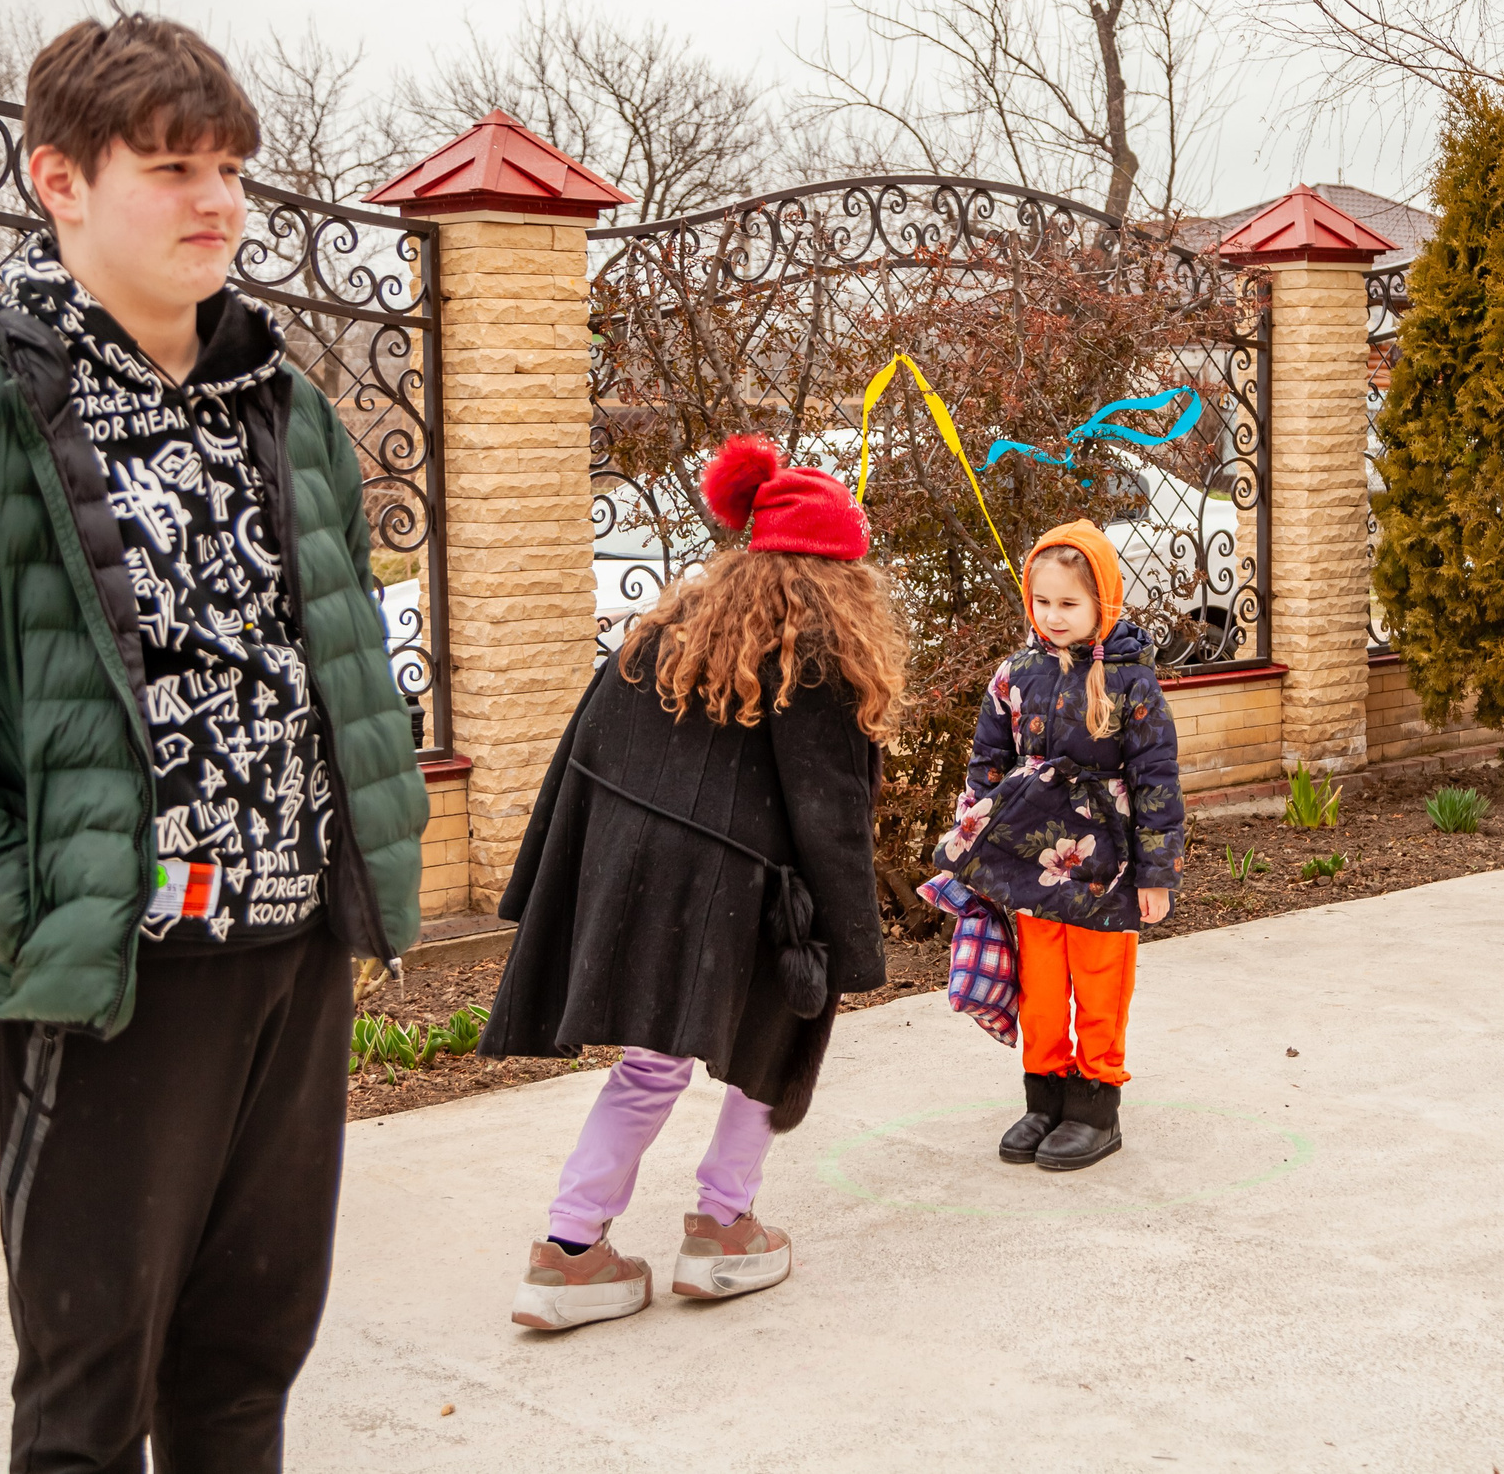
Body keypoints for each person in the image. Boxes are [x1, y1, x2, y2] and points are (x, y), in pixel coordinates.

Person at [0, 13, 428, 1471]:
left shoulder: (289, 403)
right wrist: (28, 904)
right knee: (89, 1396)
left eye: (230, 167)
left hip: (292, 951)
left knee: (246, 1364)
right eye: (171, 166)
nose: (216, 200)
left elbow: (336, 653)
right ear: (61, 180)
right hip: (108, 983)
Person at [482, 434, 897, 1329]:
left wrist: (568, 873)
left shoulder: (666, 633)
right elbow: (827, 809)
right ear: (840, 571)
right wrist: (852, 942)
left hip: (637, 877)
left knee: (649, 1065)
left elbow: (582, 754)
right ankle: (722, 1227)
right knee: (776, 1041)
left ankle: (569, 1250)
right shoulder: (818, 648)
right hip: (745, 891)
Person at [929, 521, 1185, 1171]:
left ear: (1104, 600)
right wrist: (975, 845)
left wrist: (1157, 874)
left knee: (1099, 987)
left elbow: (1157, 782)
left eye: (1068, 603)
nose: (1053, 615)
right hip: (1031, 861)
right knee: (1041, 986)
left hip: (1106, 866)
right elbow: (987, 764)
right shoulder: (1015, 674)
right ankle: (1043, 1097)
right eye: (1042, 601)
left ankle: (1096, 1108)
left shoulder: (1132, 683)